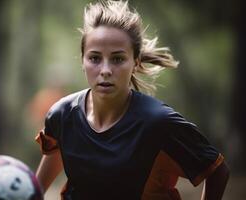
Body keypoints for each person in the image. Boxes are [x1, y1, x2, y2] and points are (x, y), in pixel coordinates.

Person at [35, 1, 229, 199]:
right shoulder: (62, 115)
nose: (105, 70)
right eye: (94, 58)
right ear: (82, 60)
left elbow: (217, 170)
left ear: (135, 62)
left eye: (118, 59)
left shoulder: (158, 123)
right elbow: (35, 190)